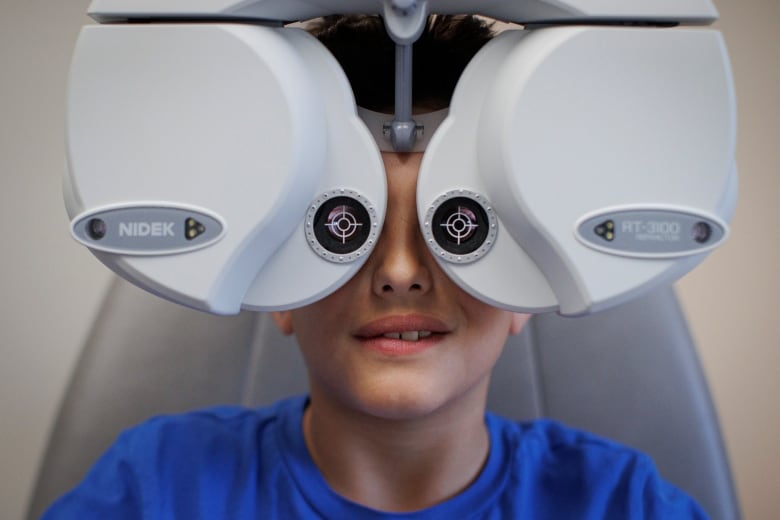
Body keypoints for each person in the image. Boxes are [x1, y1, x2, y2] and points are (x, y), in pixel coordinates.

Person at [43, 15, 707, 519]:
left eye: (457, 225)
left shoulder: (623, 501)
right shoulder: (155, 488)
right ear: (271, 285)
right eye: (342, 226)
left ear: (528, 283)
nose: (397, 270)